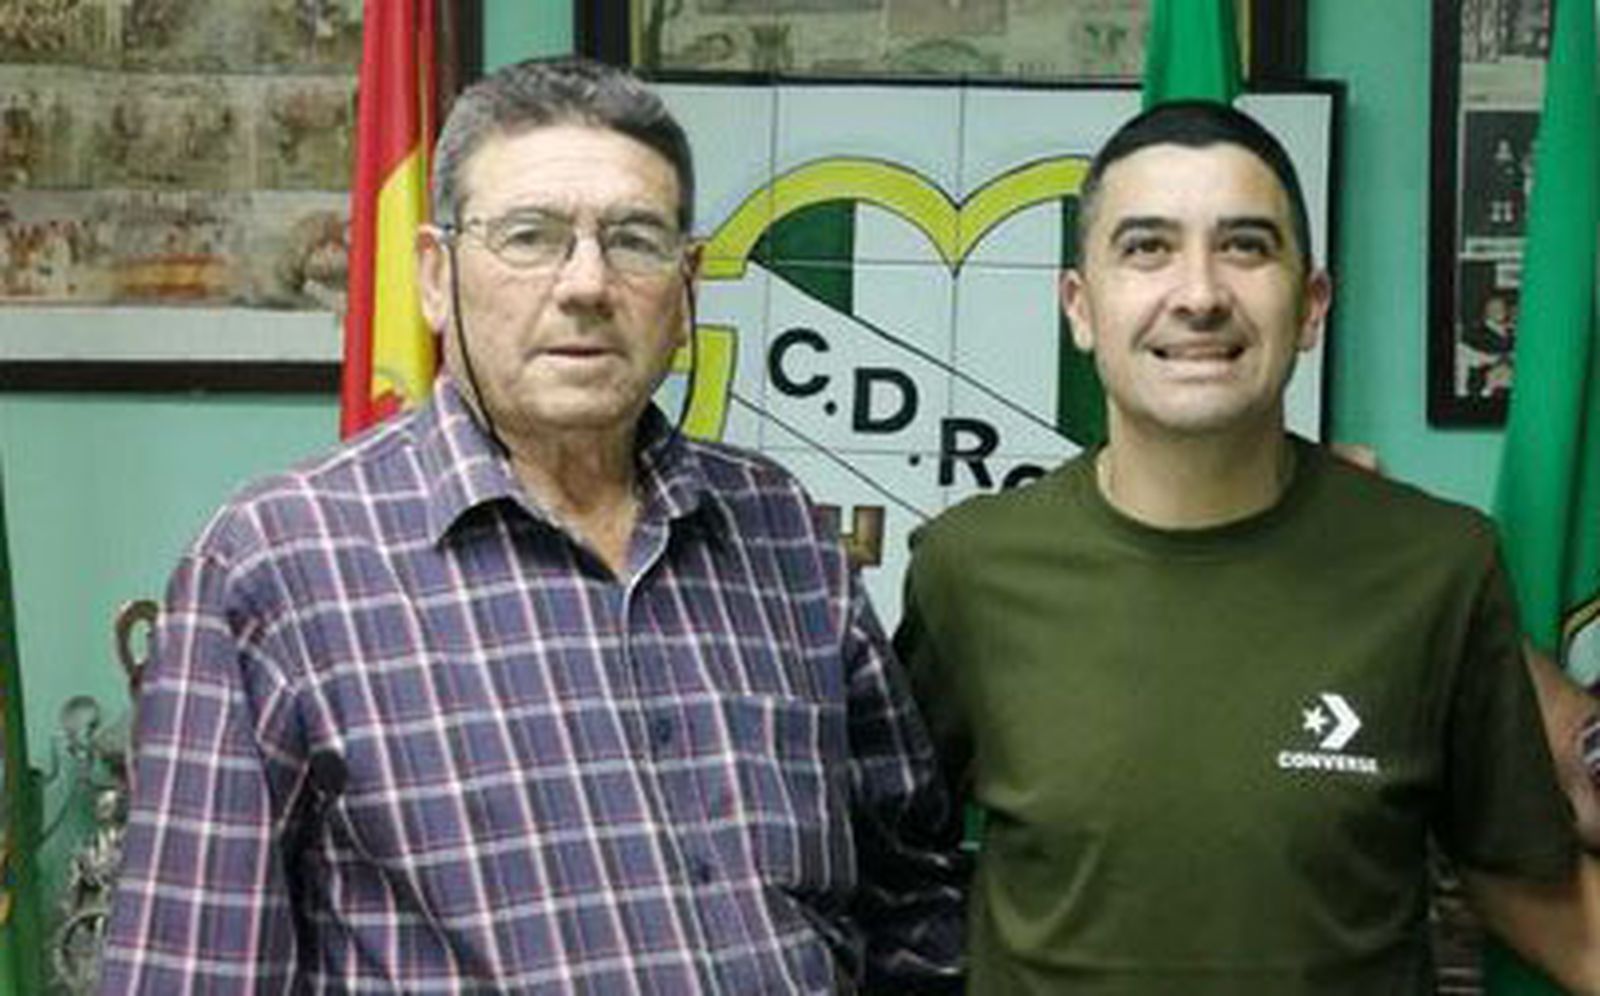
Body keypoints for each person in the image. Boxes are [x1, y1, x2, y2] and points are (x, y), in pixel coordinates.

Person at [100, 57, 964, 994]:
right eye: (531, 236)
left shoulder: (779, 531)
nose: (587, 283)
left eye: (633, 240)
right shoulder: (279, 563)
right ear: (435, 277)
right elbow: (189, 973)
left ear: (688, 287)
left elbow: (911, 898)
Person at [895, 100, 1600, 994]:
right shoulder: (968, 569)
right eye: (1147, 247)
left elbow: (1534, 894)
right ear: (1080, 306)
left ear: (1311, 306)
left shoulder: (1438, 568)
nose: (1198, 294)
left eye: (1246, 246)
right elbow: (886, 873)